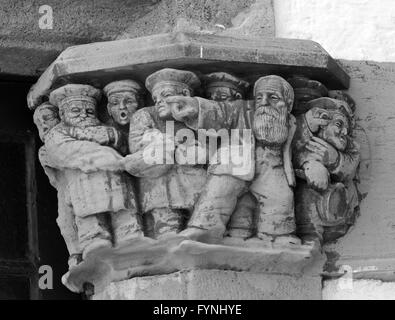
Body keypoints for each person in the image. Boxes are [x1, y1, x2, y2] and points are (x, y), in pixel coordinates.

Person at [166, 75, 299, 245]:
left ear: (288, 104)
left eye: (273, 97)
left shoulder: (292, 122)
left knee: (281, 199)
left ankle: (277, 237)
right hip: (235, 163)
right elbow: (220, 111)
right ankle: (203, 230)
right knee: (218, 193)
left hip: (272, 166)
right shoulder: (242, 109)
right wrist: (195, 107)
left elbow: (302, 147)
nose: (264, 102)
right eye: (259, 97)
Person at [45, 84, 143, 258]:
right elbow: (65, 151)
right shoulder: (57, 133)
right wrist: (106, 152)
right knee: (89, 216)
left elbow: (125, 142)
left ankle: (130, 238)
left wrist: (113, 137)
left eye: (89, 111)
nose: (84, 115)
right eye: (76, 111)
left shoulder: (107, 129)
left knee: (123, 210)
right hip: (83, 183)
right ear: (62, 114)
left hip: (117, 181)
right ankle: (94, 242)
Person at [124, 68, 207, 239]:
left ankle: (199, 235)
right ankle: (166, 235)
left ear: (184, 94)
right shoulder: (145, 115)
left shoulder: (199, 118)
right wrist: (166, 141)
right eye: (155, 98)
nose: (159, 102)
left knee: (199, 219)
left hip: (193, 177)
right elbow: (136, 143)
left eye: (165, 95)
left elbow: (211, 147)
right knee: (166, 220)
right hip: (159, 177)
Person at [292, 97, 360, 242]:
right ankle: (309, 235)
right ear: (322, 122)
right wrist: (309, 164)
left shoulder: (351, 147)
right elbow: (292, 151)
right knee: (305, 195)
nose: (344, 132)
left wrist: (333, 159)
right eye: (339, 124)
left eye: (347, 128)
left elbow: (350, 167)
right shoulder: (304, 139)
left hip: (338, 207)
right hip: (308, 206)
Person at [103, 79, 144, 155]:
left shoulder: (149, 129)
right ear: (109, 109)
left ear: (140, 105)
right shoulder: (105, 134)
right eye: (115, 103)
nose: (122, 107)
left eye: (129, 102)